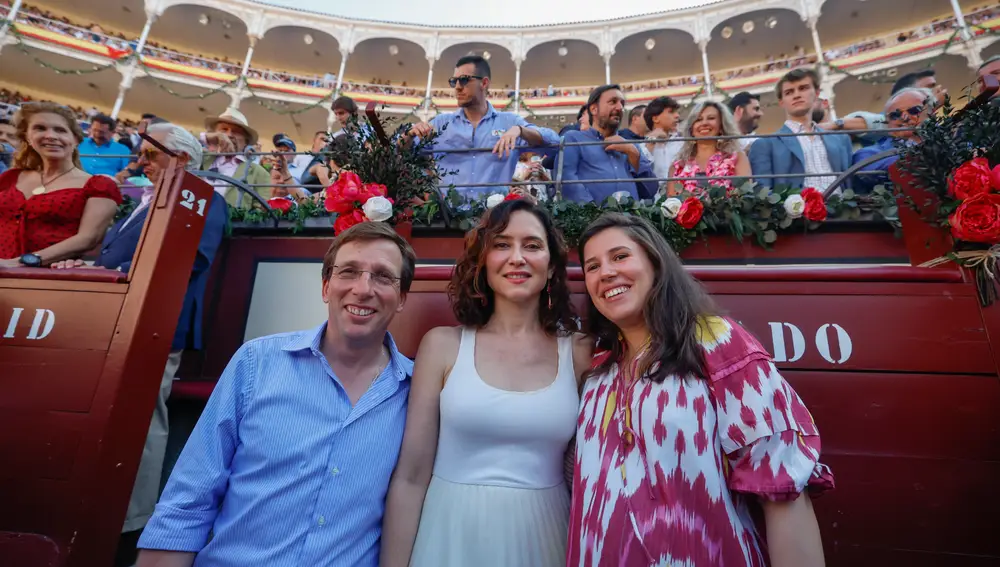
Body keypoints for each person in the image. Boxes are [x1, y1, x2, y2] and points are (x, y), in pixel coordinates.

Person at [136, 221, 417, 567]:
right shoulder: (256, 363)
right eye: (348, 272)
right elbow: (189, 499)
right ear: (326, 286)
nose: (363, 288)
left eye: (383, 276)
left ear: (402, 298)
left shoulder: (415, 392)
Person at [570, 213, 833, 566]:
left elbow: (783, 490)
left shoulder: (718, 342)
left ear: (655, 263)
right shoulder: (598, 366)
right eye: (592, 266)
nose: (605, 273)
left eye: (620, 256)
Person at [49, 123, 228, 566]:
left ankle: (132, 525)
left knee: (145, 422)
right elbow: (115, 259)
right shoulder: (144, 200)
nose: (141, 162)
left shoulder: (207, 198)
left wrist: (108, 271)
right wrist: (87, 267)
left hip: (156, 323)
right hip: (110, 319)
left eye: (152, 155)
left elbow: (189, 257)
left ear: (182, 159)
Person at [381, 198, 591, 567]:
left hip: (546, 538)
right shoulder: (442, 345)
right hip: (447, 534)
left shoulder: (579, 352)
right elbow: (411, 476)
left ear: (552, 266)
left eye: (532, 245)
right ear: (483, 261)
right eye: (501, 244)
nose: (517, 257)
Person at [403, 55, 559, 199]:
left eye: (464, 80)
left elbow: (554, 144)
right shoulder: (440, 123)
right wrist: (409, 135)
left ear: (484, 83)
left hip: (493, 220)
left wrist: (520, 130)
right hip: (445, 220)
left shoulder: (509, 123)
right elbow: (402, 153)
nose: (457, 87)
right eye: (454, 81)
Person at [0, 101, 121, 267]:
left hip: (45, 277)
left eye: (60, 130)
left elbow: (87, 239)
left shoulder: (99, 186)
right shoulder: (10, 177)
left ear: (76, 139)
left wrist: (17, 263)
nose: (50, 135)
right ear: (28, 138)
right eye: (40, 128)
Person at [749, 68, 853, 192]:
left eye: (803, 88)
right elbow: (762, 193)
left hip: (841, 209)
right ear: (781, 102)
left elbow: (851, 185)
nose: (797, 95)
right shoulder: (765, 145)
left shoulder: (841, 140)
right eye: (789, 92)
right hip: (796, 211)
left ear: (817, 93)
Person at [560, 85, 656, 203]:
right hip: (592, 220)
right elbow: (567, 181)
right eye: (613, 102)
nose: (620, 107)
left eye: (622, 103)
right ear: (594, 109)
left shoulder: (632, 147)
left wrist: (633, 154)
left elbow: (651, 191)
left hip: (631, 219)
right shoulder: (574, 139)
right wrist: (594, 213)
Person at [829, 69, 948, 145]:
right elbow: (874, 122)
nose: (935, 90)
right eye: (928, 87)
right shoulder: (888, 123)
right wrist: (931, 105)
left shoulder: (938, 131)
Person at [852, 87, 934, 194]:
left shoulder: (950, 139)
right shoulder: (868, 154)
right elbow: (869, 174)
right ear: (887, 124)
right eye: (895, 115)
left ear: (932, 113)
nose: (905, 117)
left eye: (914, 111)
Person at [666, 101, 751, 197]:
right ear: (691, 129)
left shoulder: (737, 158)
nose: (704, 123)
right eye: (698, 119)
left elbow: (746, 198)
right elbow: (671, 206)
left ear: (721, 126)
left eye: (711, 118)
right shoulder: (678, 166)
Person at [199, 108, 272, 207]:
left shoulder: (259, 173)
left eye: (236, 131)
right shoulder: (200, 156)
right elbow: (174, 140)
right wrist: (207, 138)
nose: (229, 135)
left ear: (246, 141)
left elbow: (261, 212)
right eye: (224, 129)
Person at [643, 96, 682, 191]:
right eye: (671, 112)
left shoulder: (684, 144)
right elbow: (640, 170)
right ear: (655, 119)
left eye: (677, 112)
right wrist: (651, 141)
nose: (677, 116)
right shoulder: (640, 147)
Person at [78, 112, 133, 177]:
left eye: (101, 132)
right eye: (95, 130)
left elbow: (125, 173)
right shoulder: (80, 142)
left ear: (112, 132)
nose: (97, 134)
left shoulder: (123, 150)